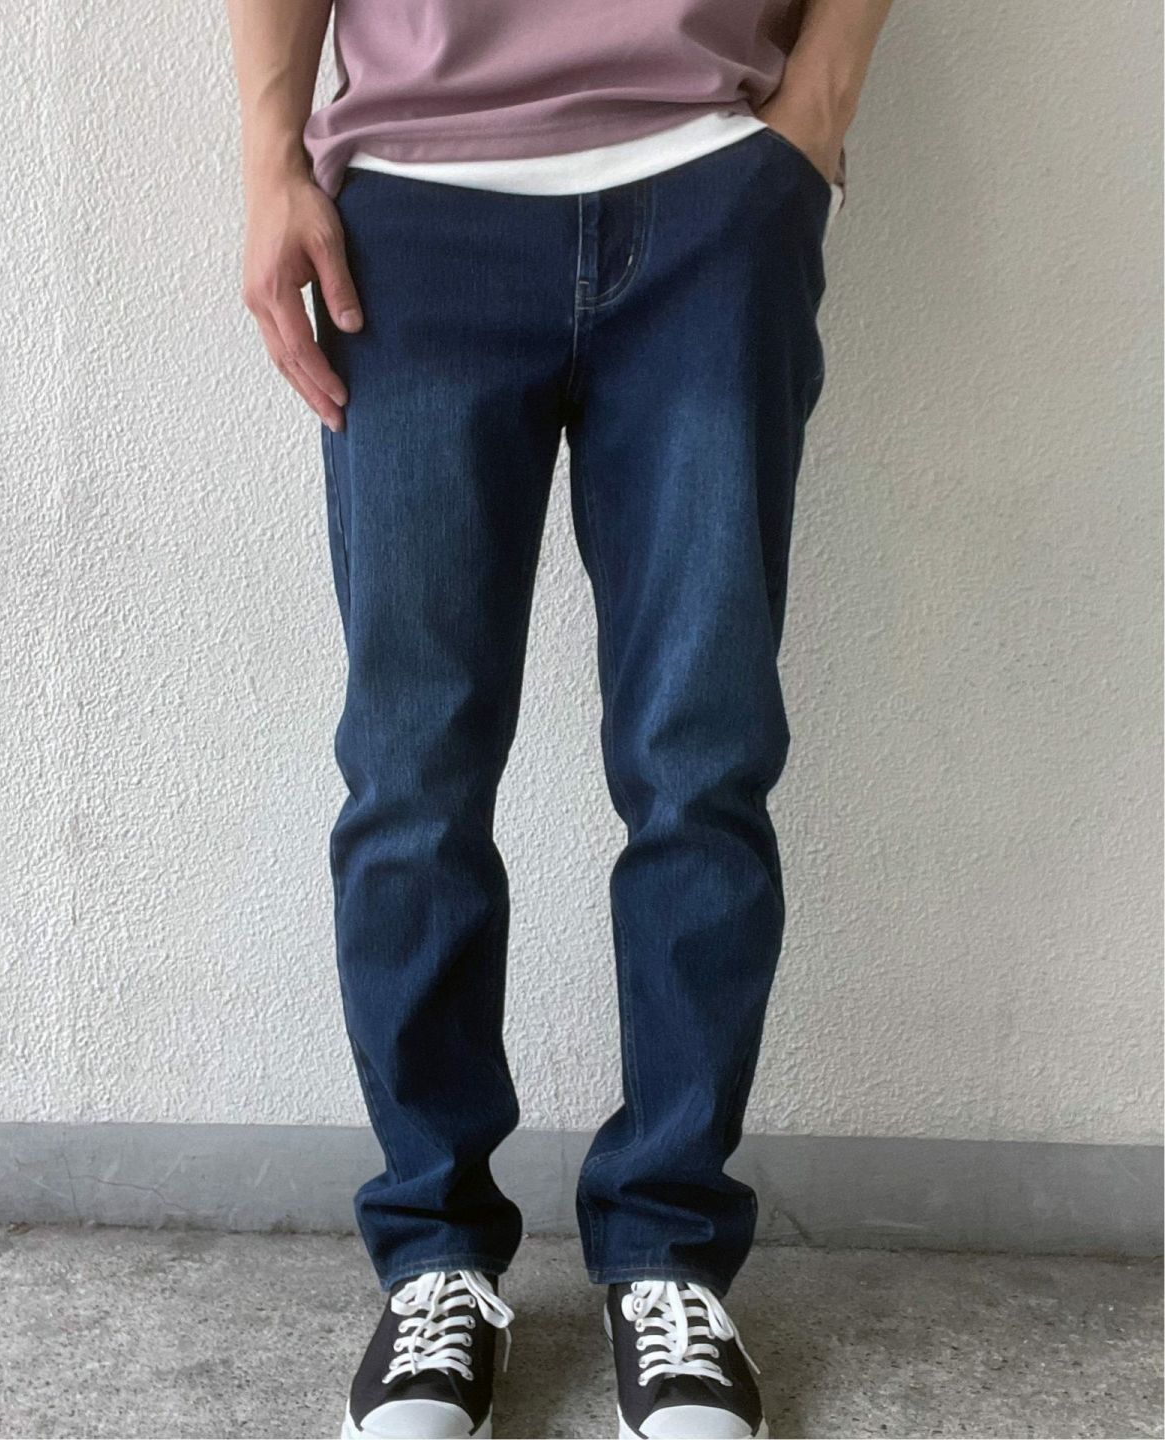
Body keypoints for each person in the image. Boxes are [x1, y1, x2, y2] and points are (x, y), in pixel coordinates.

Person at [226, 2, 891, 1436]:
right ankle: (435, 1257)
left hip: (713, 188)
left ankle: (669, 1253)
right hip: (413, 216)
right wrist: (269, 156)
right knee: (412, 774)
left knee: (701, 763)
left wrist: (816, 114)